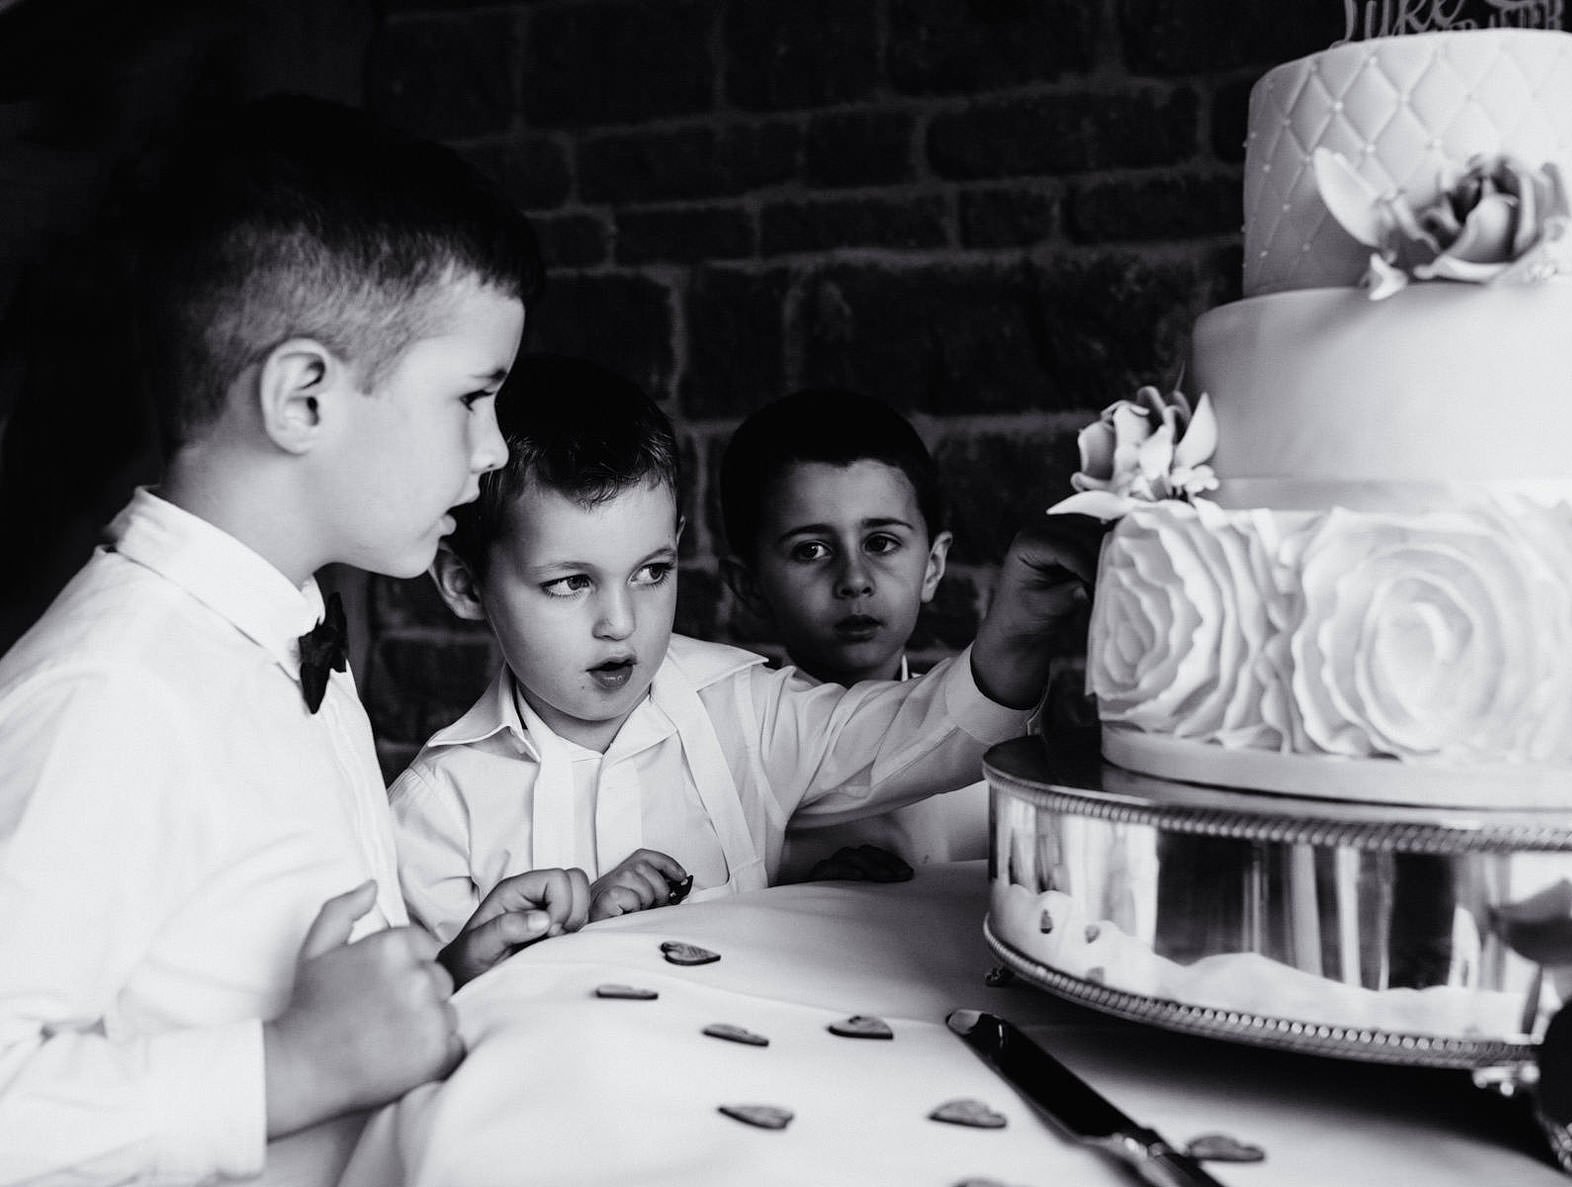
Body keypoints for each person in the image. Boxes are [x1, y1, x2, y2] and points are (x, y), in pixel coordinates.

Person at [0, 95, 591, 1187]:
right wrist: (285, 1066)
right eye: (473, 398)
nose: (495, 449)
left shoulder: (283, 631)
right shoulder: (104, 697)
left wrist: (431, 984)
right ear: (305, 395)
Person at [389, 355, 1096, 943]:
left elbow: (924, 730)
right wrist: (579, 946)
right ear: (463, 584)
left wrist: (1020, 626)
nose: (620, 622)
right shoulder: (436, 811)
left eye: (651, 572)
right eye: (571, 582)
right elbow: (436, 1029)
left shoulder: (748, 711)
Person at [718, 387, 988, 882]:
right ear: (749, 586)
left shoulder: (993, 749)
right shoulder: (730, 764)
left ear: (932, 566)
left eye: (881, 543)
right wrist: (806, 901)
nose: (854, 579)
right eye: (811, 550)